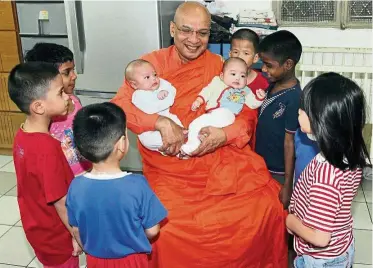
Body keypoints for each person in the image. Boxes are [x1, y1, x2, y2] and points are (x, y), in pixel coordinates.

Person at [112, 2, 288, 267]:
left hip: (219, 157)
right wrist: (158, 121)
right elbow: (120, 106)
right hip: (170, 167)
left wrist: (224, 134)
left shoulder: (220, 64)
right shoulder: (151, 64)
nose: (194, 40)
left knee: (264, 207)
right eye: (186, 31)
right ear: (172, 30)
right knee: (169, 229)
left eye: (203, 33)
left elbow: (244, 111)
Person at [66, 102, 167, 267]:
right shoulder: (137, 185)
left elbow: (76, 230)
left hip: (95, 260)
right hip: (131, 260)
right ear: (121, 144)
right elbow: (153, 230)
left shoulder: (75, 186)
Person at [287, 73, 370, 267]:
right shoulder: (347, 154)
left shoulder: (326, 176)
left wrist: (291, 221)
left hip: (321, 259)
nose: (299, 111)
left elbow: (320, 238)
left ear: (322, 120)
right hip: (341, 246)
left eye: (304, 109)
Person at [8, 62, 81, 268]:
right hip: (57, 236)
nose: (67, 96)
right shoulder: (48, 148)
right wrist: (76, 234)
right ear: (39, 106)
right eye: (60, 93)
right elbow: (61, 201)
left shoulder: (22, 135)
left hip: (37, 228)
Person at [25, 43, 92, 176]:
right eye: (67, 72)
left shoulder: (74, 100)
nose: (74, 76)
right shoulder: (44, 113)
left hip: (87, 170)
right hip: (63, 178)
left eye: (73, 70)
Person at [255, 30, 302, 208]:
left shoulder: (295, 98)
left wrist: (288, 185)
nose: (264, 69)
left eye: (268, 65)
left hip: (279, 171)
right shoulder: (271, 85)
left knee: (277, 215)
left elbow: (290, 142)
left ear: (288, 64)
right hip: (261, 165)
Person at [181, 57, 265, 155]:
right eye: (233, 74)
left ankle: (191, 148)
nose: (238, 78)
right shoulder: (217, 82)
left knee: (202, 124)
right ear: (222, 75)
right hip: (212, 114)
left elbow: (253, 104)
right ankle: (191, 147)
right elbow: (207, 91)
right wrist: (199, 100)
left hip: (227, 115)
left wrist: (259, 98)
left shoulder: (245, 91)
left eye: (243, 76)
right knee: (195, 125)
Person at [127, 59, 184, 152]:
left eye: (155, 74)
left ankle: (182, 137)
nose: (154, 78)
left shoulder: (160, 85)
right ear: (134, 85)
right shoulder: (138, 95)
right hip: (148, 130)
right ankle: (176, 146)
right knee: (150, 140)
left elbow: (171, 89)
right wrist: (158, 96)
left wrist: (164, 92)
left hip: (167, 117)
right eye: (147, 77)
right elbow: (150, 109)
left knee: (175, 121)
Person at [229, 29, 269, 149]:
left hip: (252, 139)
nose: (240, 57)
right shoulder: (224, 79)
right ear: (230, 54)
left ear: (255, 57)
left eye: (246, 53)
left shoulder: (264, 82)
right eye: (236, 52)